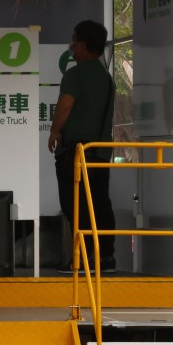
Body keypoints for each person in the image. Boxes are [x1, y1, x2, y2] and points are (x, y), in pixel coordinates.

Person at [47, 20, 116, 273]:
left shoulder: (75, 75)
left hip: (76, 152)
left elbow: (65, 104)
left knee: (74, 205)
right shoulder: (106, 78)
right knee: (99, 202)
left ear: (84, 45)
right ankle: (106, 257)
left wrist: (55, 130)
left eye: (74, 42)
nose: (72, 47)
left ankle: (83, 259)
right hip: (99, 151)